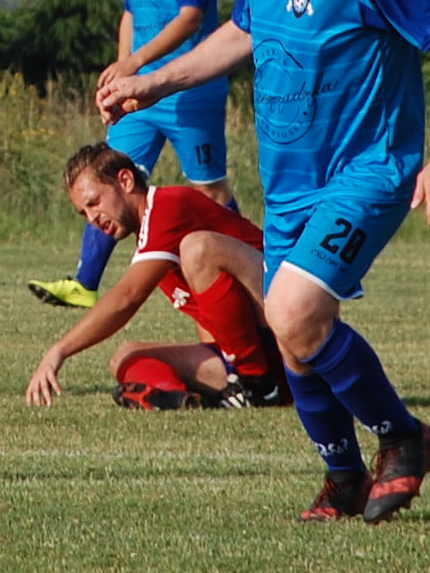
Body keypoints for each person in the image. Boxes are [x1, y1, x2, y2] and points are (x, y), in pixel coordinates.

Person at [96, 0, 430, 524]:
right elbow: (243, 32)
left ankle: (402, 437)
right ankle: (341, 478)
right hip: (289, 185)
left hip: (365, 170)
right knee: (297, 344)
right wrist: (152, 82)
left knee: (293, 313)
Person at [28, 0, 236, 309]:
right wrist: (125, 74)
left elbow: (191, 17)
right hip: (140, 97)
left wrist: (137, 62)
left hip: (189, 92)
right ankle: (85, 283)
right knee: (109, 175)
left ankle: (249, 266)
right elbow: (131, 15)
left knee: (210, 190)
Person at [25, 143, 286, 411]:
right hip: (257, 357)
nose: (93, 218)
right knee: (125, 356)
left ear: (125, 180)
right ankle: (179, 399)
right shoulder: (150, 243)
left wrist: (59, 350)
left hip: (284, 327)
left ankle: (258, 387)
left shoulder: (169, 205)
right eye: (84, 212)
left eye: (94, 202)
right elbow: (216, 325)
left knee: (197, 248)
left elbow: (128, 297)